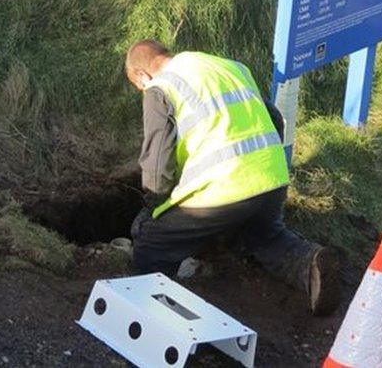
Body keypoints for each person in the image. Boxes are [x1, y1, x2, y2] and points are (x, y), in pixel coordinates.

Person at [124, 39, 341, 316]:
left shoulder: (160, 87)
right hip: (271, 177)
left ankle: (152, 314)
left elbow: (157, 161)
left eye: (139, 86)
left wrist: (154, 203)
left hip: (223, 187)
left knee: (152, 240)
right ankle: (309, 264)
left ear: (142, 75)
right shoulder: (227, 67)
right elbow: (273, 118)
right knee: (263, 235)